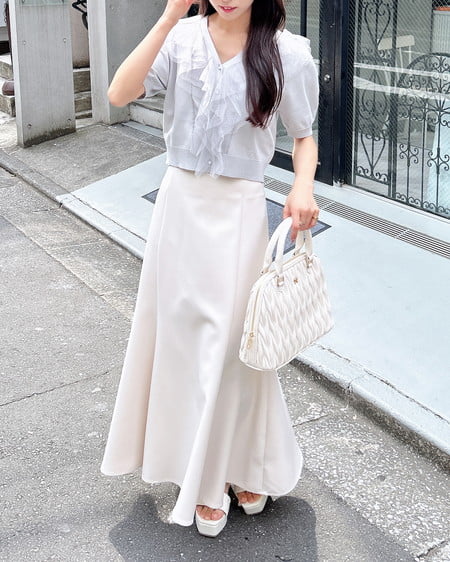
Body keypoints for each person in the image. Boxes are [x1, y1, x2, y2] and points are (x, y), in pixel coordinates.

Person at [101, 0, 320, 537]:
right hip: (180, 208)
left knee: (231, 348)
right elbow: (119, 93)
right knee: (184, 344)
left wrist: (302, 186)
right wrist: (168, 16)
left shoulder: (288, 53)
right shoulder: (180, 38)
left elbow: (303, 135)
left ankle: (240, 463)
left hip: (240, 211)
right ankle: (212, 475)